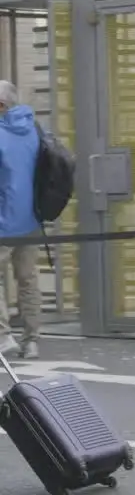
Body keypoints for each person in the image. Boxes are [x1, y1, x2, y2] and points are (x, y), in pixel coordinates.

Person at [0, 81, 44, 359]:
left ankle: (4, 336)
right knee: (28, 279)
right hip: (31, 219)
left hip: (3, 221)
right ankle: (32, 340)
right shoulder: (34, 130)